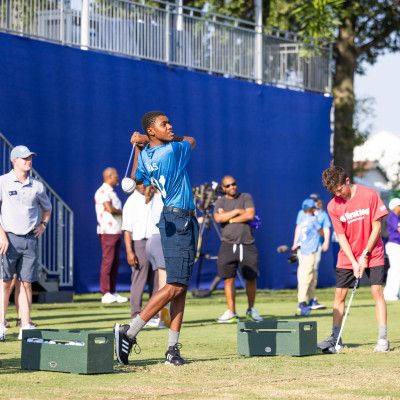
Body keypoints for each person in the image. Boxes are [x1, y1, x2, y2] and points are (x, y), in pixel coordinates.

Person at [114, 111, 199, 366]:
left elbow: (137, 177)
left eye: (170, 122)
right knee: (173, 286)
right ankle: (129, 332)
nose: (170, 126)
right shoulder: (171, 151)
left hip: (176, 219)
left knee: (180, 287)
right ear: (152, 130)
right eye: (164, 124)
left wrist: (141, 146)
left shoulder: (149, 155)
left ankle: (172, 349)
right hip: (179, 220)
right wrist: (146, 142)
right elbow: (192, 140)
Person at [318, 166, 389, 353]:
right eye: (333, 192)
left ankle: (383, 339)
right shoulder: (333, 205)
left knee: (376, 292)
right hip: (348, 255)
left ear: (347, 181)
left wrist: (364, 255)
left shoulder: (370, 194)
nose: (338, 194)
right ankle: (335, 338)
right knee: (339, 295)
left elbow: (376, 228)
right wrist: (354, 261)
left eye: (339, 189)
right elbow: (341, 236)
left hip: (373, 252)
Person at [0, 145, 52, 340]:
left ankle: (26, 326)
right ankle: (0, 326)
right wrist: (2, 235)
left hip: (30, 239)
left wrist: (43, 225)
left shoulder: (37, 185)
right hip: (8, 239)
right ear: (14, 161)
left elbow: (47, 208)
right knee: (5, 283)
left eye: (30, 158)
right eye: (24, 158)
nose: (28, 161)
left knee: (26, 283)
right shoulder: (3, 182)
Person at [213, 176, 263, 323]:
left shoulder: (246, 197)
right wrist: (237, 212)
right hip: (228, 245)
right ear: (223, 188)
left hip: (247, 244)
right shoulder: (220, 201)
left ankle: (251, 310)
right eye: (228, 186)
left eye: (234, 184)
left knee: (251, 278)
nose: (232, 187)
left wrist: (228, 216)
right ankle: (231, 312)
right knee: (228, 279)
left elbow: (250, 214)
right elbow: (217, 218)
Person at [121, 181, 158, 323]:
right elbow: (127, 230)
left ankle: (153, 314)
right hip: (140, 243)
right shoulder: (131, 202)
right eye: (139, 183)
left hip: (155, 241)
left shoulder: (155, 197)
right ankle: (136, 315)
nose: (142, 185)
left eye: (145, 182)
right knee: (139, 278)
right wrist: (130, 252)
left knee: (155, 280)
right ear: (134, 184)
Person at [292, 193, 331, 310]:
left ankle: (312, 300)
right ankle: (302, 301)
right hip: (310, 251)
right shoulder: (314, 219)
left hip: (304, 249)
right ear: (311, 209)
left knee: (310, 274)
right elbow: (322, 232)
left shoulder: (305, 218)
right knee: (307, 276)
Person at [95, 167, 128, 304]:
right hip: (107, 231)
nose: (118, 178)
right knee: (108, 261)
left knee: (115, 262)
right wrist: (126, 213)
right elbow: (109, 209)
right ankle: (105, 293)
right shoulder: (102, 191)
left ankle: (112, 292)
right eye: (116, 176)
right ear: (109, 177)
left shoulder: (112, 192)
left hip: (116, 230)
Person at [144, 185, 170, 328]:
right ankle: (161, 320)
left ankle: (159, 317)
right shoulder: (162, 198)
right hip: (159, 240)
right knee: (164, 285)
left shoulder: (154, 197)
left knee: (162, 284)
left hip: (153, 241)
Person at [383, 198, 400, 301]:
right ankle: (390, 294)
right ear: (395, 207)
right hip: (394, 245)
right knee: (395, 269)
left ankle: (393, 293)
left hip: (396, 245)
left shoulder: (397, 217)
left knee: (396, 270)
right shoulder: (392, 216)